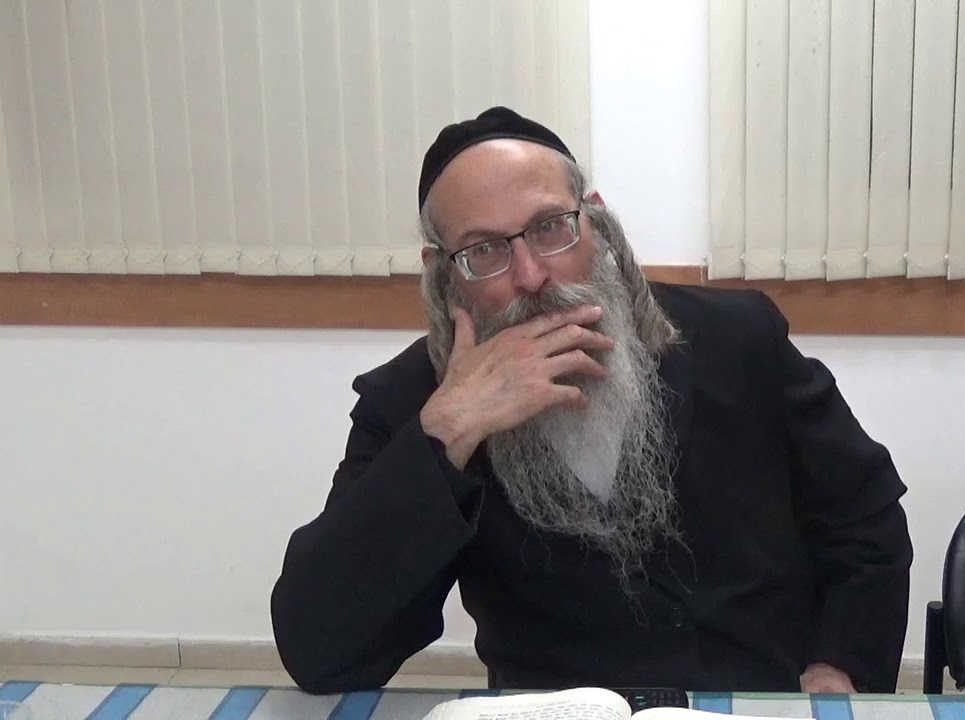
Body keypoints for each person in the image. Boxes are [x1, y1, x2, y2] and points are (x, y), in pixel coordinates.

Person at [271, 107, 913, 695]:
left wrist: (840, 664)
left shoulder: (736, 338)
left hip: (754, 701)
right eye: (484, 251)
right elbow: (320, 650)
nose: (531, 276)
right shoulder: (414, 402)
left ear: (597, 221)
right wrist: (450, 428)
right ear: (442, 272)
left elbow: (863, 520)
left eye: (550, 228)